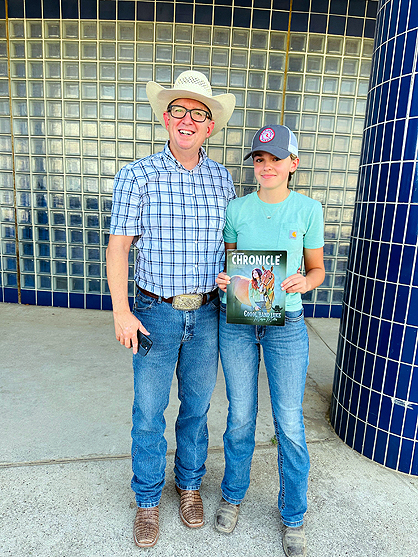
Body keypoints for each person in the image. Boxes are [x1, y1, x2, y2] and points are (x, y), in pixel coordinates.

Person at [106, 70, 236, 548]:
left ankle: (189, 486)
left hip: (207, 313)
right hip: (154, 313)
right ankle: (146, 500)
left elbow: (231, 245)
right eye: (178, 110)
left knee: (197, 409)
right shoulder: (136, 175)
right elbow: (118, 247)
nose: (187, 120)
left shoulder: (222, 178)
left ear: (209, 127)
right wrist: (122, 312)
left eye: (197, 114)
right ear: (166, 118)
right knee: (148, 411)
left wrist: (238, 278)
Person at [215, 125, 325, 557]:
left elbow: (317, 270)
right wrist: (225, 280)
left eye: (276, 159)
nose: (266, 166)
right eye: (260, 159)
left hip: (287, 327)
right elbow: (231, 264)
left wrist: (305, 282)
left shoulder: (308, 210)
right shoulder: (237, 209)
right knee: (240, 416)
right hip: (239, 323)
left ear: (293, 163)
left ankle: (293, 515)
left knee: (290, 423)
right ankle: (232, 495)